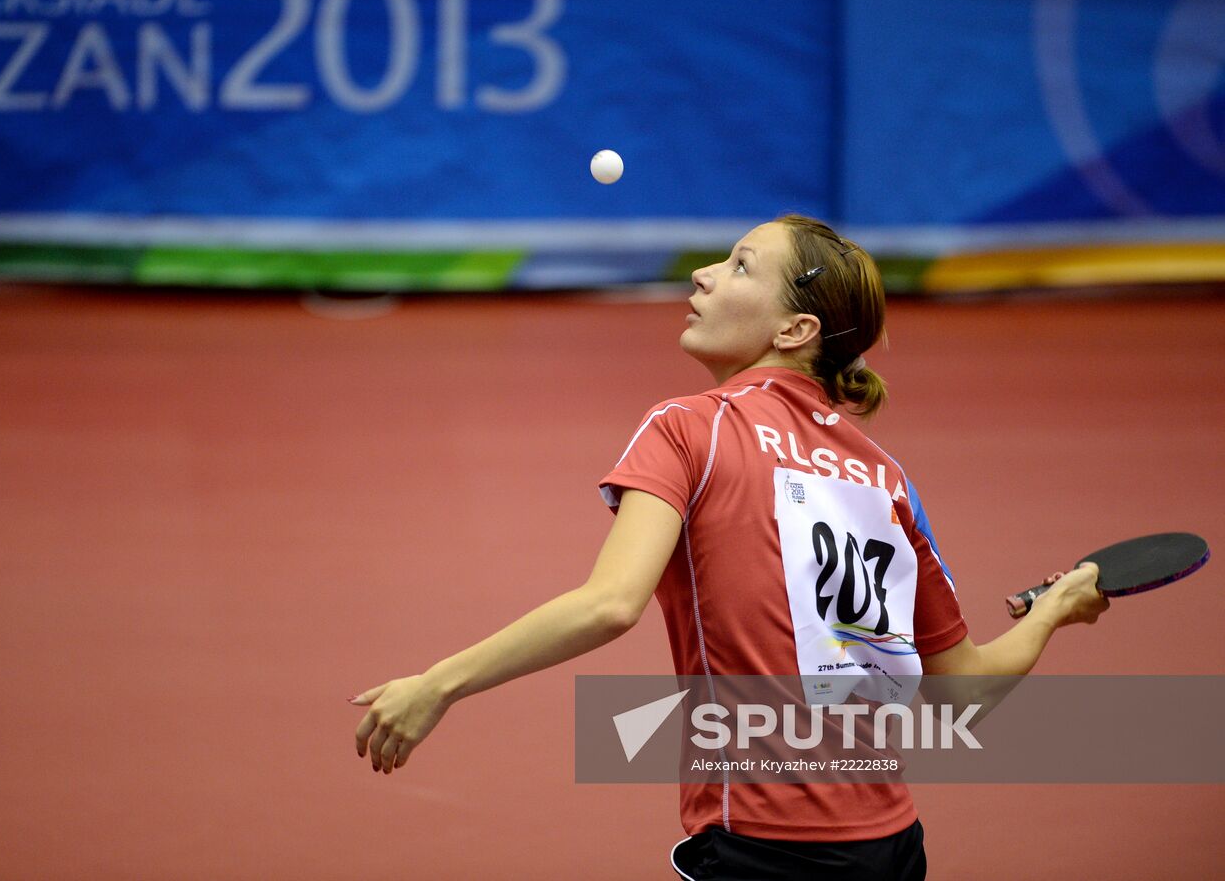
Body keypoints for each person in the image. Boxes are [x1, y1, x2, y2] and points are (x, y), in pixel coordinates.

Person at [350, 215, 1109, 880]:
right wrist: (1055, 610)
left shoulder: (690, 425)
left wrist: (438, 684)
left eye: (741, 266)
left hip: (765, 846)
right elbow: (964, 687)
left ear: (794, 332)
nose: (703, 273)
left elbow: (611, 605)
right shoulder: (886, 476)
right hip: (891, 843)